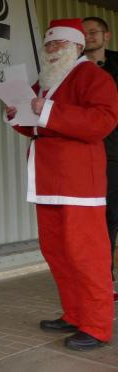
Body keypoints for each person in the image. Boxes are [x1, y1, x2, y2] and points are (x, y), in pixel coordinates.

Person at [5, 18, 117, 351]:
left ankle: (97, 326)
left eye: (59, 43)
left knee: (87, 255)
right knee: (57, 252)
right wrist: (17, 115)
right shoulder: (47, 81)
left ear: (77, 46)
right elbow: (37, 126)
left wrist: (49, 110)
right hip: (47, 179)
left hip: (79, 182)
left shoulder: (93, 77)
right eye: (49, 43)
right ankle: (74, 314)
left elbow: (102, 121)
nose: (52, 48)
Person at [81, 16, 118, 300]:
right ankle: (105, 281)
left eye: (94, 32)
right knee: (104, 218)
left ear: (107, 36)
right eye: (84, 33)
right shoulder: (73, 67)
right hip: (92, 155)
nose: (88, 36)